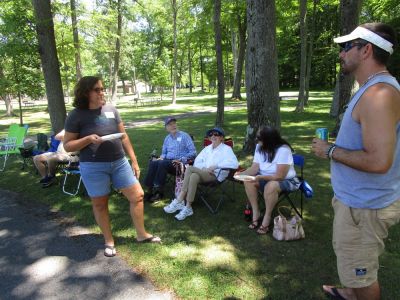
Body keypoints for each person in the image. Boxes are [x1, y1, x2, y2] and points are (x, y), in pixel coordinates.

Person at [311, 23, 400, 300]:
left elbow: (378, 161)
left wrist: (329, 151)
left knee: (363, 277)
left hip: (364, 209)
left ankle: (357, 291)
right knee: (352, 265)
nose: (341, 54)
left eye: (346, 47)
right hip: (356, 203)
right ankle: (349, 291)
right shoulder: (371, 89)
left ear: (366, 50)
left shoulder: (379, 94)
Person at [63, 76, 161, 257]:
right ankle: (109, 241)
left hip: (119, 162)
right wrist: (86, 139)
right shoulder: (76, 115)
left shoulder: (111, 110)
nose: (102, 92)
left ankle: (141, 234)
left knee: (138, 196)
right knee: (100, 204)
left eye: (102, 88)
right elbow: (67, 145)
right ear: (86, 93)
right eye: (97, 90)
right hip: (93, 166)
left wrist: (134, 160)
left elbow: (123, 136)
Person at [163, 127, 238, 220]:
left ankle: (180, 199)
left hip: (216, 176)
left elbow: (234, 164)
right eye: (211, 135)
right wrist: (204, 168)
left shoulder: (226, 149)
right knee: (194, 176)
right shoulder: (207, 148)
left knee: (190, 168)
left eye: (216, 134)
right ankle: (188, 207)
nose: (213, 136)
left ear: (222, 137)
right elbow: (197, 161)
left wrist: (216, 166)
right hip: (204, 173)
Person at [236, 126, 300, 234]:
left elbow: (279, 176)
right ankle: (256, 212)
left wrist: (260, 177)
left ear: (269, 140)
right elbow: (255, 168)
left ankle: (267, 216)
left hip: (286, 180)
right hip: (265, 177)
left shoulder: (283, 150)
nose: (256, 140)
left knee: (271, 186)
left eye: (259, 138)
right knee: (248, 180)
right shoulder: (259, 147)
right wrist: (241, 174)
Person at [143, 117, 196, 202]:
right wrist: (161, 157)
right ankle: (149, 190)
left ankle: (159, 192)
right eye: (170, 124)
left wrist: (181, 159)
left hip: (180, 164)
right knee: (153, 162)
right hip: (168, 161)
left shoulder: (185, 136)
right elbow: (164, 153)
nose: (173, 126)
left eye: (174, 123)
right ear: (166, 128)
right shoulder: (167, 138)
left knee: (162, 164)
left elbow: (193, 152)